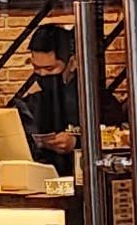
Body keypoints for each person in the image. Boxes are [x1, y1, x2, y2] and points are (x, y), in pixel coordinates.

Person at [13, 23, 119, 167]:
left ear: (73, 63)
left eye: (50, 68)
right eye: (36, 68)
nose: (42, 74)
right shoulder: (31, 104)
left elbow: (118, 139)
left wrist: (77, 142)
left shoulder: (96, 101)